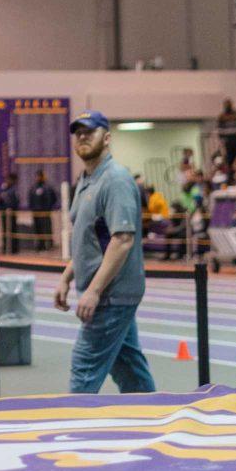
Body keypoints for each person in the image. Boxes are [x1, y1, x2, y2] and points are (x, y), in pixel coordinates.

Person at [54, 110, 155, 394]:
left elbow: (122, 240)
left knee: (84, 368)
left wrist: (95, 290)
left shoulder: (115, 180)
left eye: (91, 131)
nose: (83, 136)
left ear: (107, 138)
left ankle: (75, 429)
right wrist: (67, 277)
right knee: (129, 369)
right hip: (107, 293)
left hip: (112, 295)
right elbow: (90, 240)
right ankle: (151, 417)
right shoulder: (86, 181)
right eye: (78, 133)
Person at [28, 169, 57, 252]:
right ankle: (40, 245)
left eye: (39, 176)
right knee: (38, 229)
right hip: (36, 212)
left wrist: (48, 208)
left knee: (47, 229)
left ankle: (49, 245)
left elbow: (53, 198)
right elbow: (30, 199)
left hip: (45, 212)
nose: (37, 178)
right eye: (36, 176)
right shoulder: (33, 188)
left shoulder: (47, 187)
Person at [217, 98, 236, 166]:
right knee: (230, 158)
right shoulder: (222, 116)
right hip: (228, 141)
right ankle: (231, 171)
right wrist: (222, 141)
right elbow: (220, 130)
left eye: (229, 104)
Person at [0, 171, 20, 254]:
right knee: (4, 230)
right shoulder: (4, 189)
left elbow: (16, 201)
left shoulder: (14, 190)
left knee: (13, 230)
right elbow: (0, 198)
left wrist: (11, 207)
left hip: (12, 213)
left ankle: (14, 248)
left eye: (9, 179)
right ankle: (5, 247)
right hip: (4, 212)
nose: (7, 181)